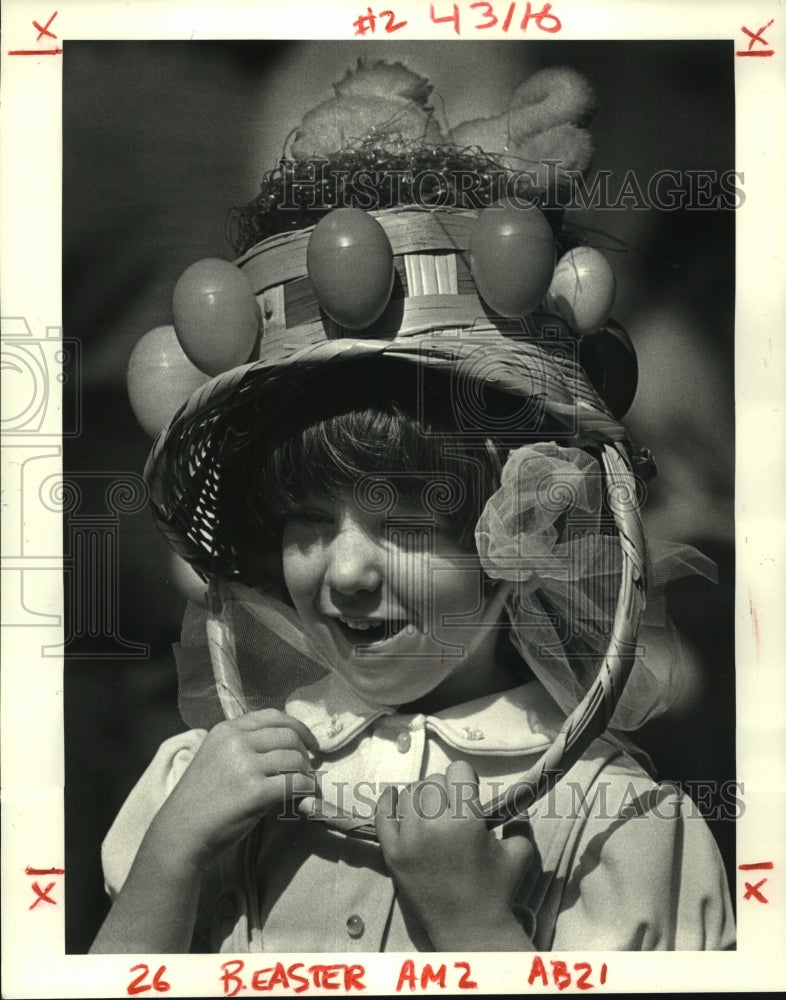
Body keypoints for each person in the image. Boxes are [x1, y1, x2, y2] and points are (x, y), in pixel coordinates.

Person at [91, 62, 735, 955]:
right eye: (307, 522)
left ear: (525, 531)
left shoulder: (612, 823)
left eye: (405, 524)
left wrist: (473, 924)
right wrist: (169, 865)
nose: (346, 570)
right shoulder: (202, 786)